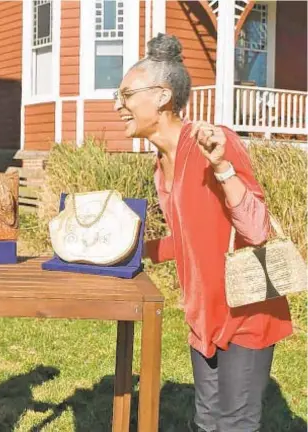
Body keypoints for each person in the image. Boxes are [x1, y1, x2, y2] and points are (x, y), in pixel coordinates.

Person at [114, 34, 293, 431]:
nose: (118, 105)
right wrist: (126, 250)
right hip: (203, 314)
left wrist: (222, 168)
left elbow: (257, 230)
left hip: (246, 309)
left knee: (234, 424)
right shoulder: (161, 167)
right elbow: (187, 241)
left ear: (161, 96)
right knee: (206, 421)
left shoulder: (213, 142)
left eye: (126, 94)